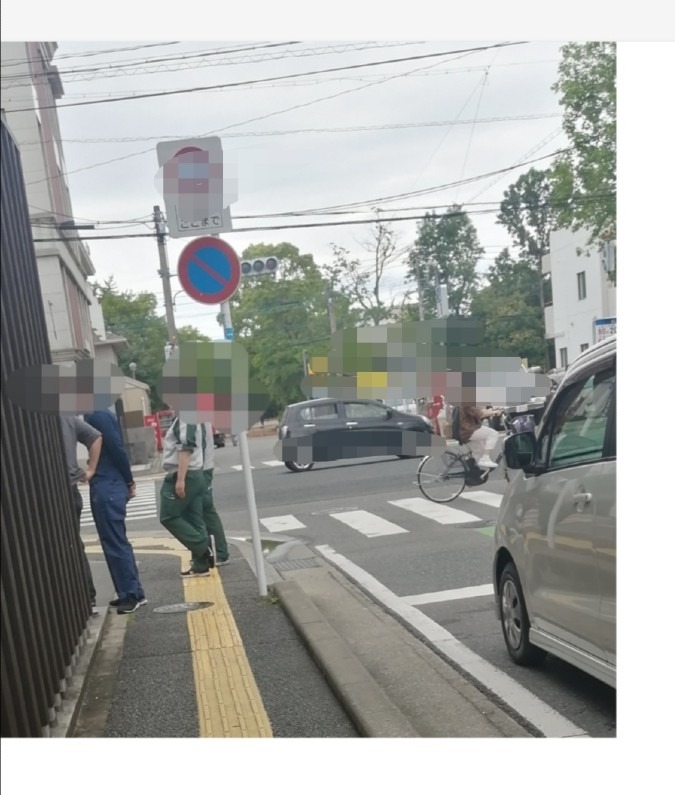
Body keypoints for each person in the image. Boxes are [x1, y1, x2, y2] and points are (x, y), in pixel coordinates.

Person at [84, 409, 147, 614]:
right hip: (111, 482)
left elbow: (115, 447)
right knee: (117, 540)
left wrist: (129, 479)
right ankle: (133, 591)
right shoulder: (102, 413)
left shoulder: (95, 415)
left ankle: (129, 594)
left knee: (113, 541)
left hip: (107, 483)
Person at [60, 415, 103, 615]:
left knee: (53, 548)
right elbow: (95, 437)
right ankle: (88, 597)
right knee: (74, 544)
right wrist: (90, 469)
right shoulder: (66, 415)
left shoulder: (29, 416)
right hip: (71, 489)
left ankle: (68, 601)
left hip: (49, 490)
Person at [159, 417, 212, 577]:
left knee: (168, 516)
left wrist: (180, 479)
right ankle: (201, 565)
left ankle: (204, 546)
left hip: (184, 474)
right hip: (196, 473)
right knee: (194, 518)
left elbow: (185, 448)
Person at [202, 422, 230, 566]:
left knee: (206, 510)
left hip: (200, 468)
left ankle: (220, 552)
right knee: (204, 510)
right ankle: (214, 551)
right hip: (202, 467)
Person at [457, 404, 502, 469]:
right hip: (469, 430)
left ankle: (475, 473)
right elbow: (479, 414)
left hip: (464, 430)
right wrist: (494, 412)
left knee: (479, 452)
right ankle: (485, 457)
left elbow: (476, 411)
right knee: (493, 434)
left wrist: (491, 410)